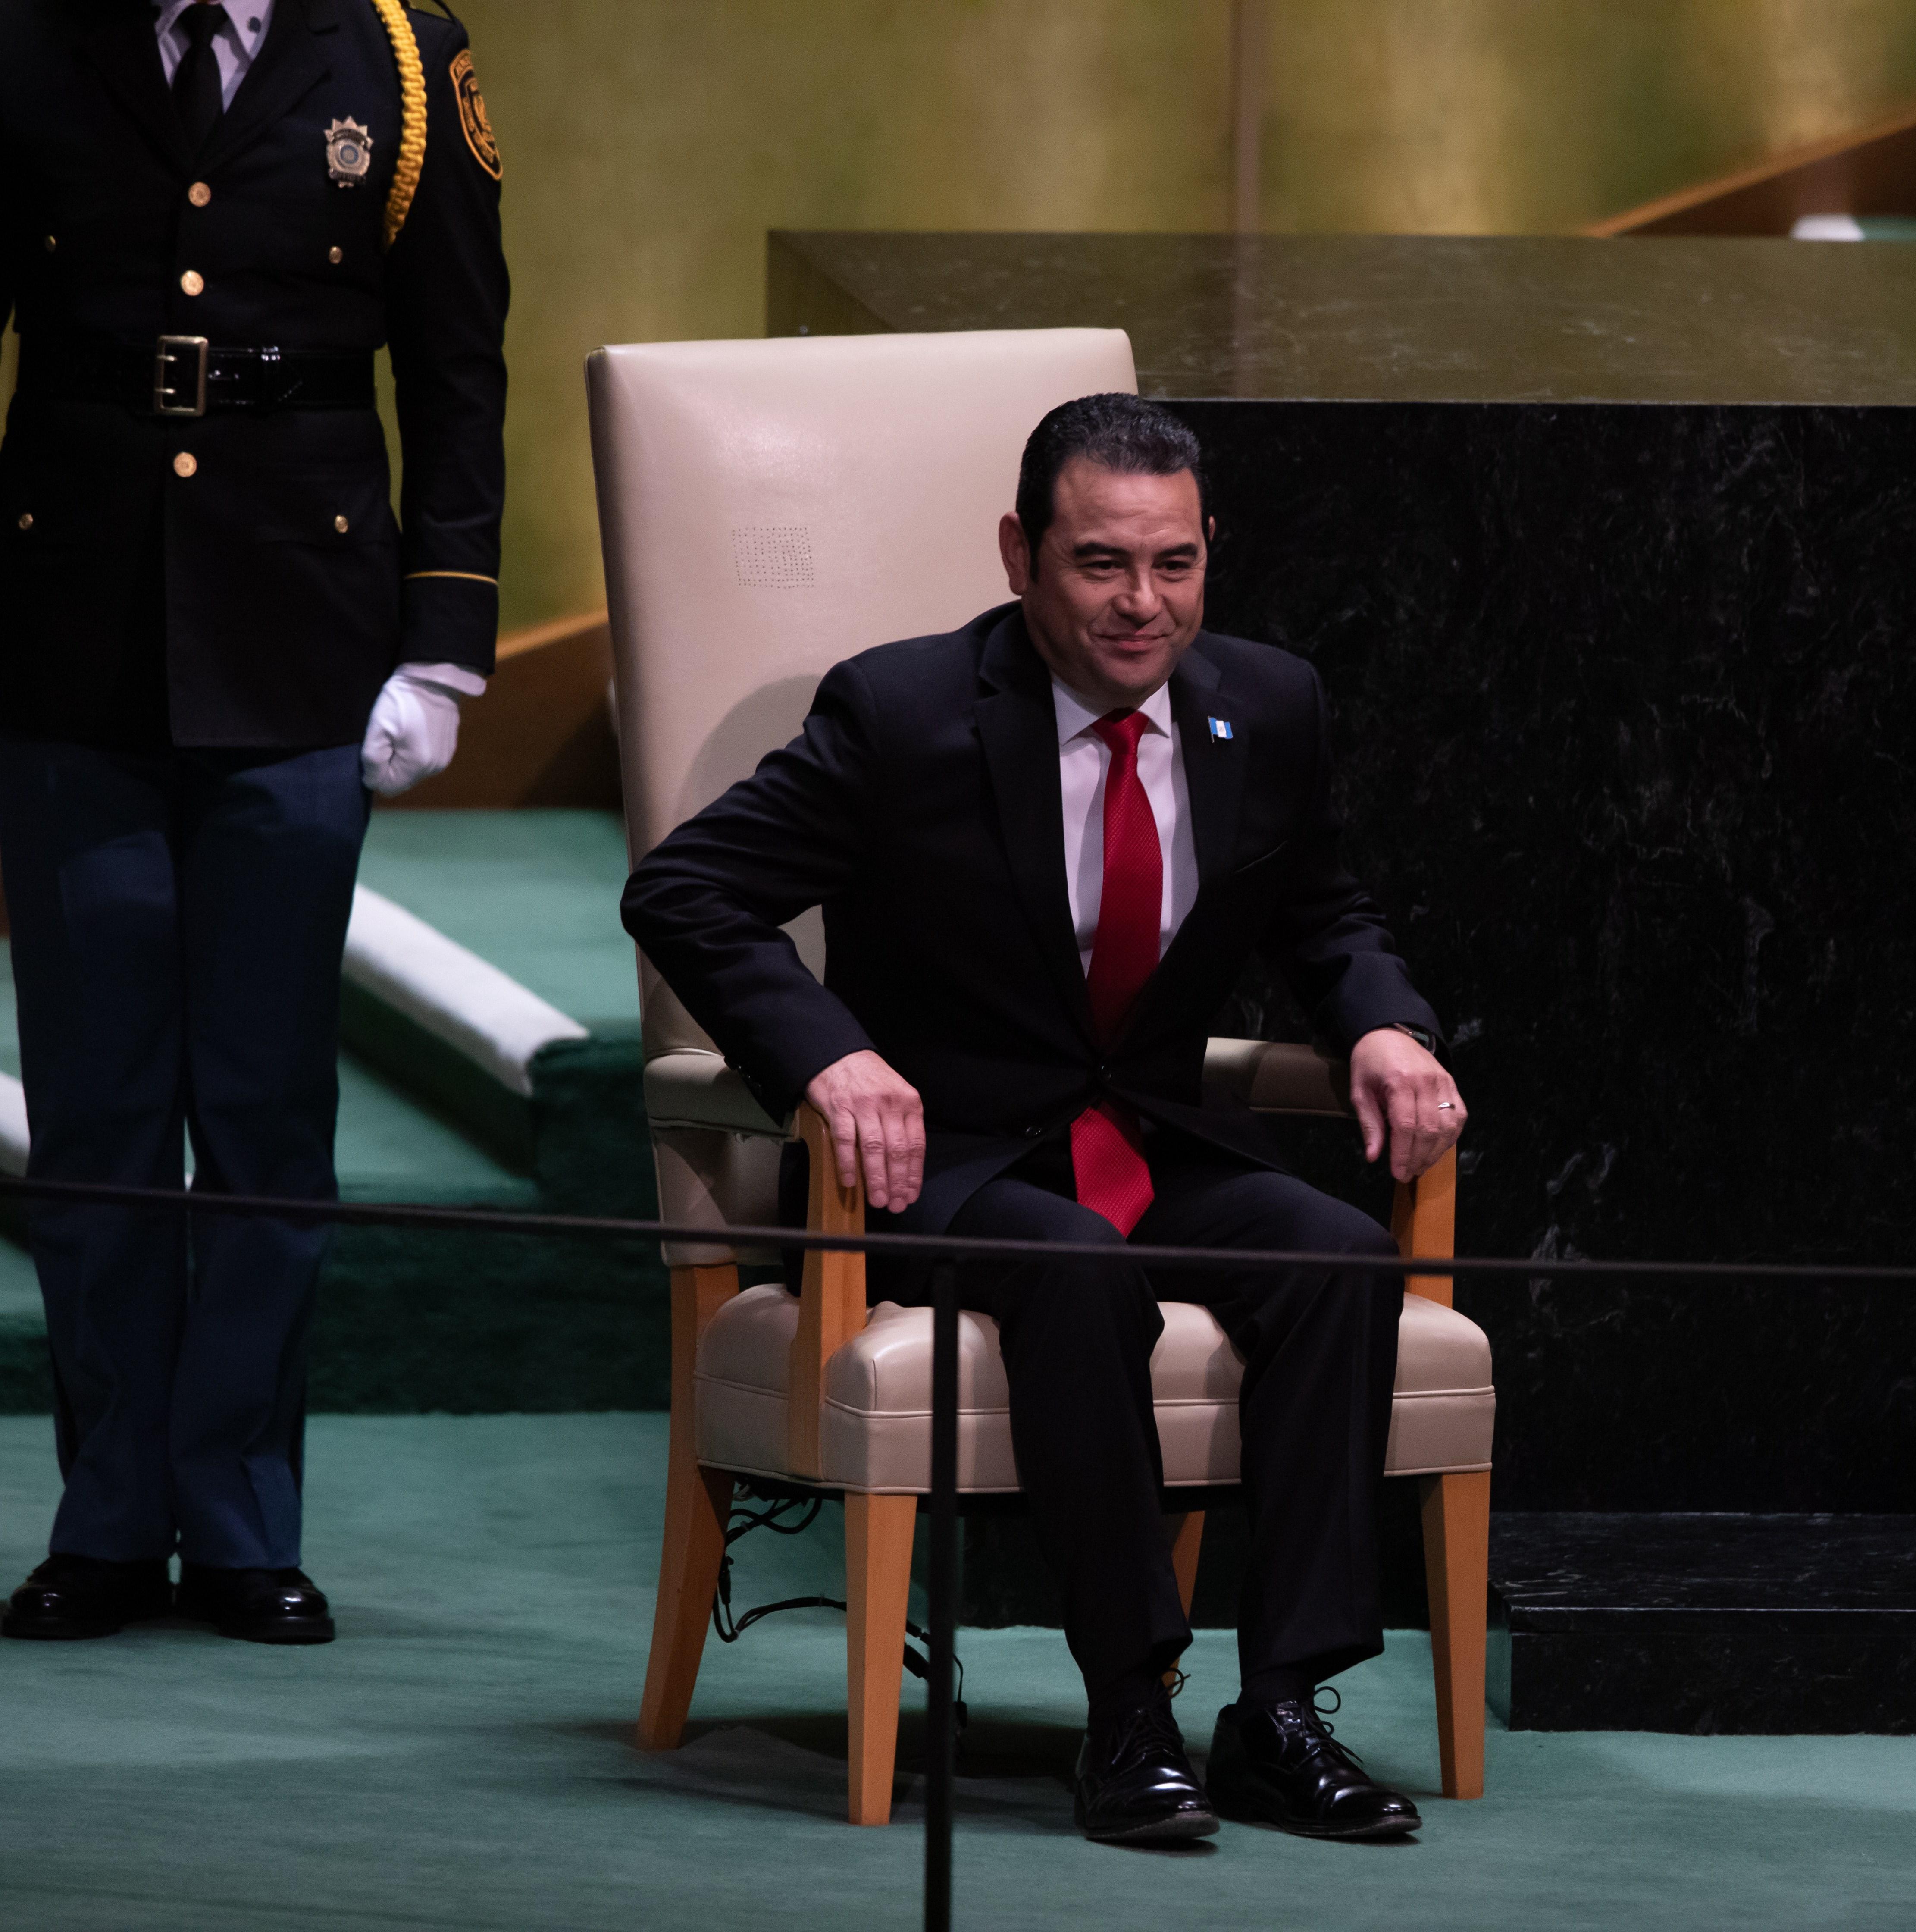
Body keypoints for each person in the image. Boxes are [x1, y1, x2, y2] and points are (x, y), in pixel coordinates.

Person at [621, 394, 1467, 1843]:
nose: (1144, 605)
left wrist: (1385, 1022)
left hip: (1155, 1142)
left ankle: (1278, 1714)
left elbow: (1324, 913)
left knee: (1334, 1257)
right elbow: (686, 890)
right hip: (943, 1166)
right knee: (1082, 1279)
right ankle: (1129, 1706)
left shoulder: (1266, 705)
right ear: (1021, 554)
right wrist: (828, 1057)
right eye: (1100, 565)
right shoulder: (901, 714)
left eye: (1175, 564)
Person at [0, 0, 509, 1645]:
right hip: (71, 624)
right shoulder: (16, 40)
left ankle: (236, 1520)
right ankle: (104, 1519)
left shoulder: (399, 60)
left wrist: (444, 640)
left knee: (260, 1112)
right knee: (95, 1108)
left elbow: (457, 361)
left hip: (305, 636)